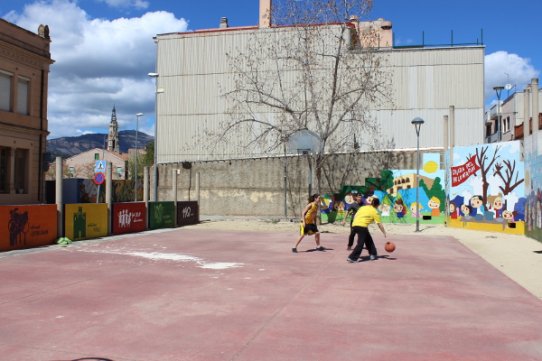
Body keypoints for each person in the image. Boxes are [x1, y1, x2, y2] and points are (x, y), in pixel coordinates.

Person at [347, 197, 387, 263]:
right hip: (362, 226)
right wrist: (384, 232)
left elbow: (356, 215)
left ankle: (373, 254)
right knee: (360, 243)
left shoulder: (363, 207)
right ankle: (352, 257)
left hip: (354, 224)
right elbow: (379, 224)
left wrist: (356, 222)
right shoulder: (375, 212)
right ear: (377, 205)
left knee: (368, 239)